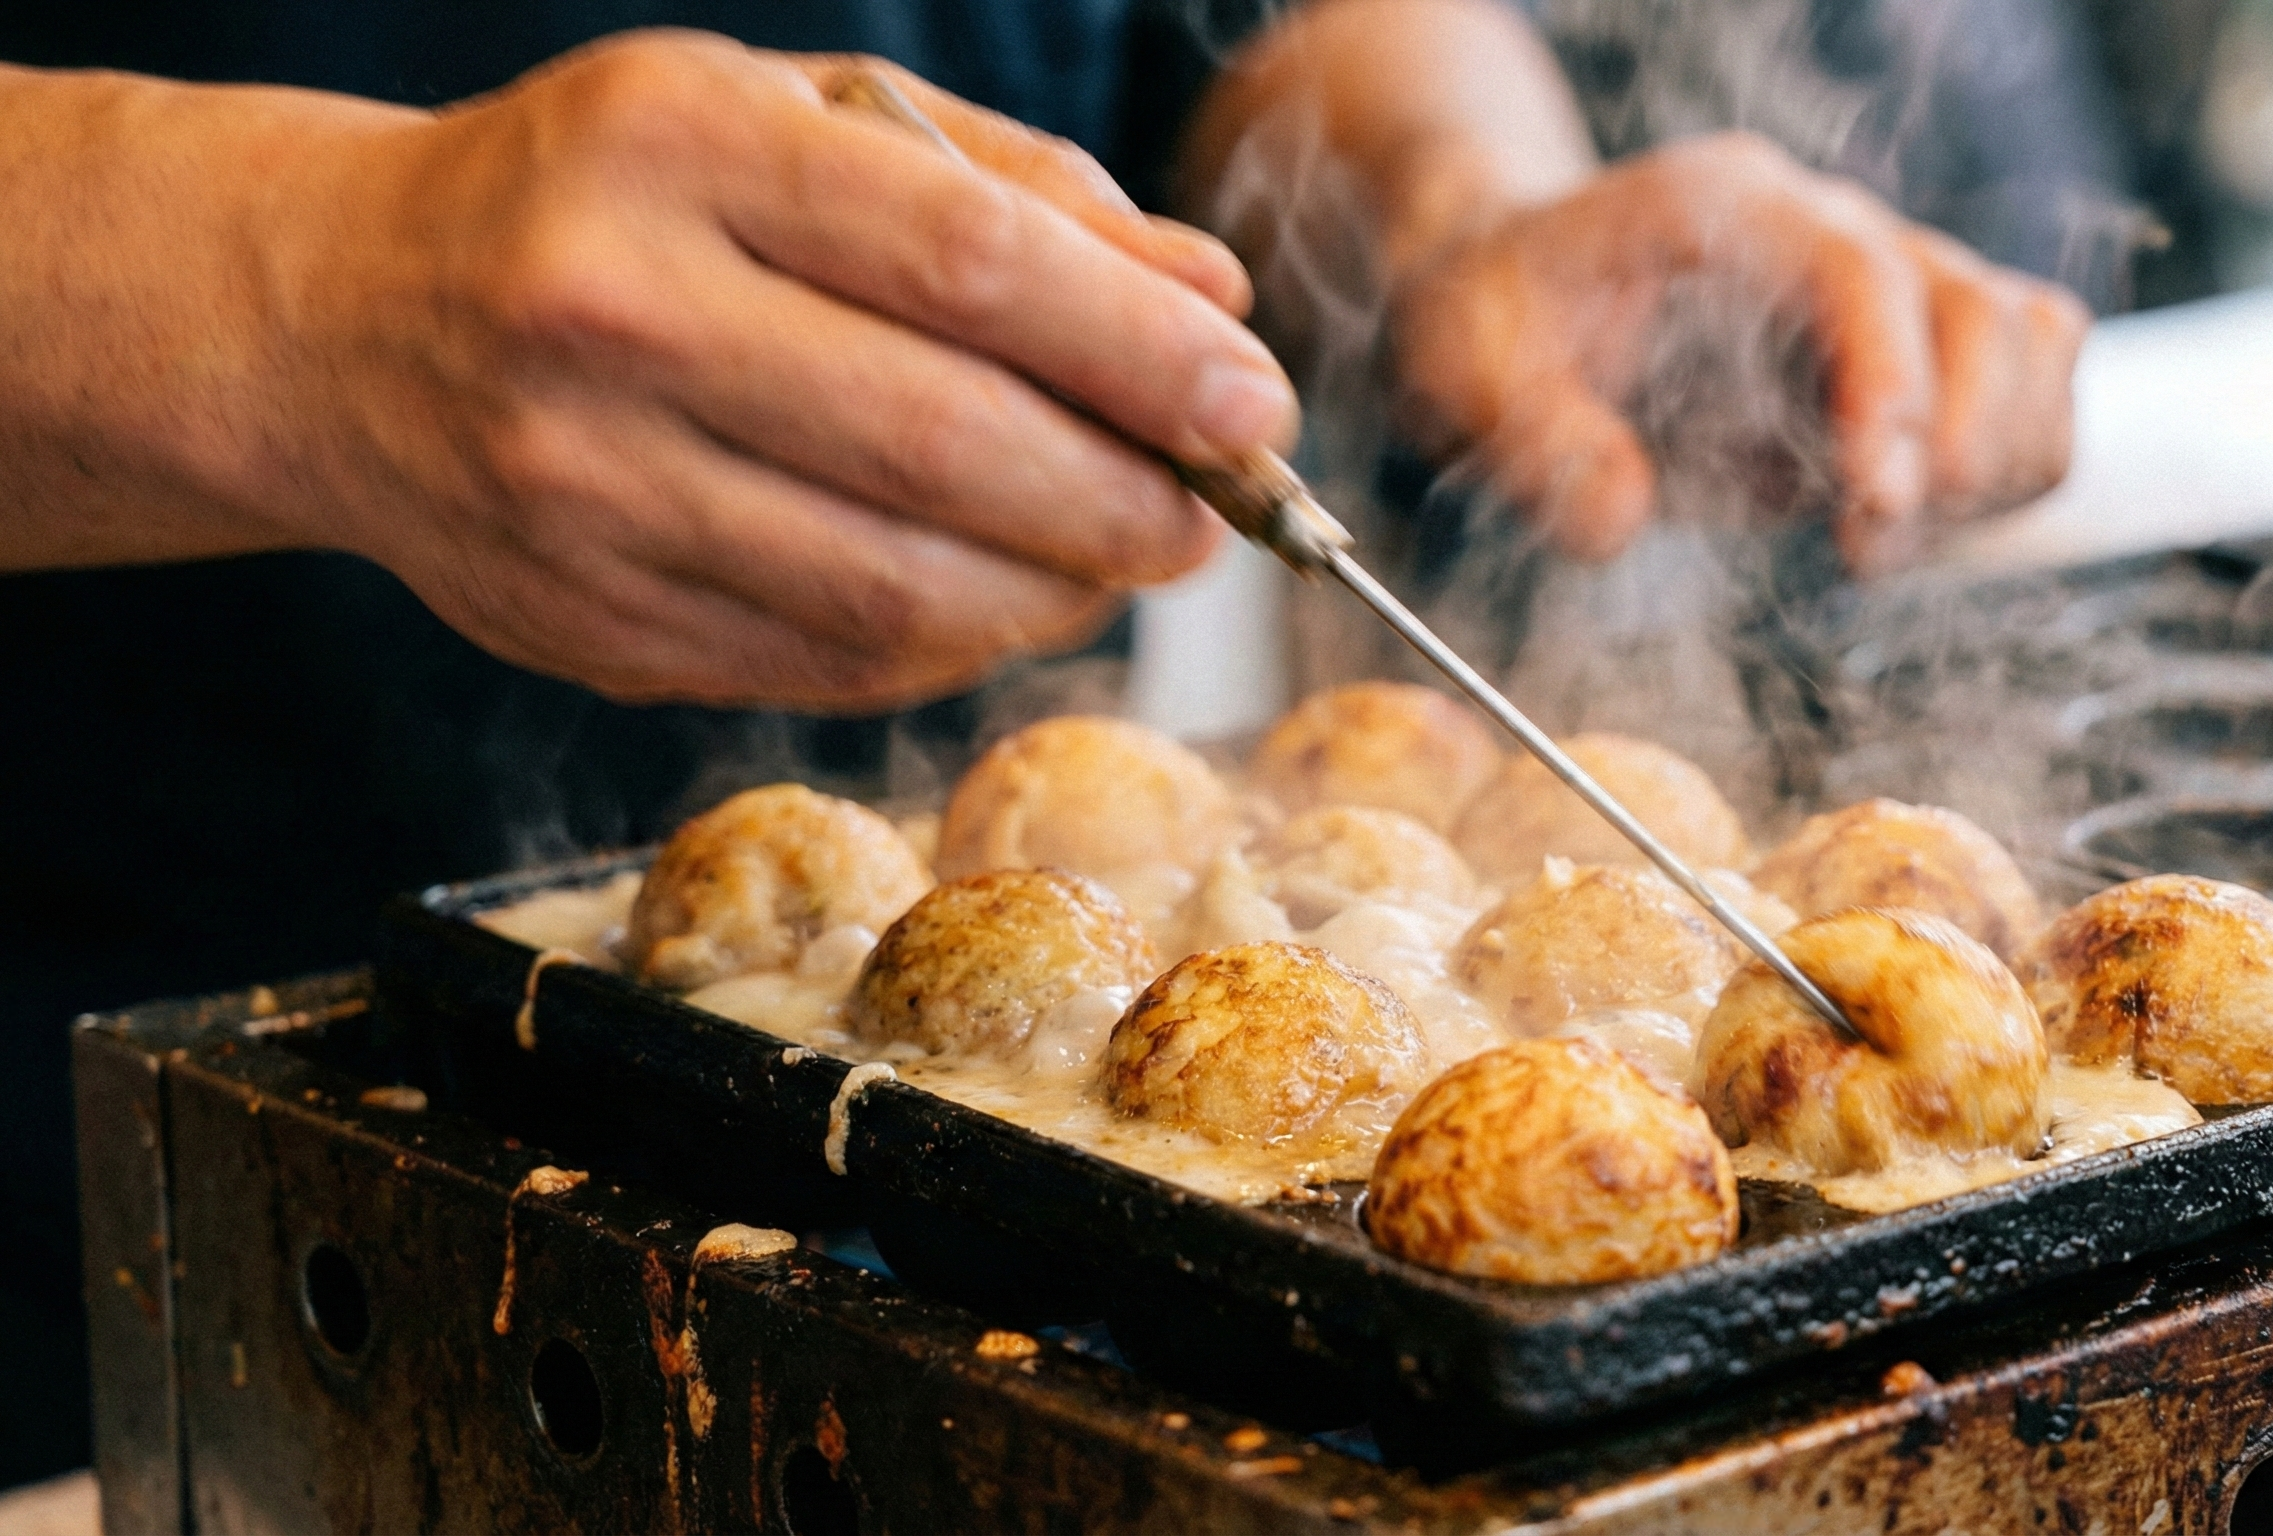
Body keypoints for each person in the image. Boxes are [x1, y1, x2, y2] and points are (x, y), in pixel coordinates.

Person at [0, 0, 2085, 1485]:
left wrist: (1463, 208)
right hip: (105, 1250)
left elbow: (1252, 34)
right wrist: (290, 283)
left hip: (949, 1228)